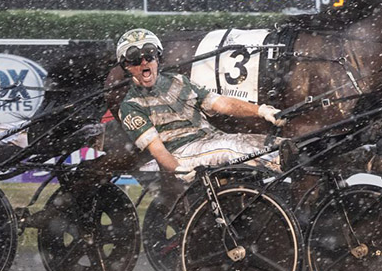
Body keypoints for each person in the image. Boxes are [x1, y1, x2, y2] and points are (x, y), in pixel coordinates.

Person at [115, 28, 284, 181]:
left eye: (149, 56)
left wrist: (262, 111)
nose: (144, 63)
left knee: (277, 145)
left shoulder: (179, 81)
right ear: (126, 66)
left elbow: (223, 103)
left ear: (157, 59)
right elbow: (158, 150)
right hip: (182, 153)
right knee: (236, 151)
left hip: (213, 139)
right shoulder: (130, 106)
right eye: (136, 60)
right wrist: (178, 169)